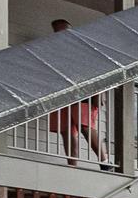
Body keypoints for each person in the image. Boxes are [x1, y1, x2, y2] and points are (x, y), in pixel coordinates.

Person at [43, 17, 109, 166]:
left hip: (84, 92)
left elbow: (100, 69)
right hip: (62, 94)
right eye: (56, 31)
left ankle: (105, 161)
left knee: (84, 125)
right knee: (66, 130)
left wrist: (100, 92)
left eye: (63, 30)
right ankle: (72, 165)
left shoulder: (83, 48)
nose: (60, 34)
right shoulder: (53, 52)